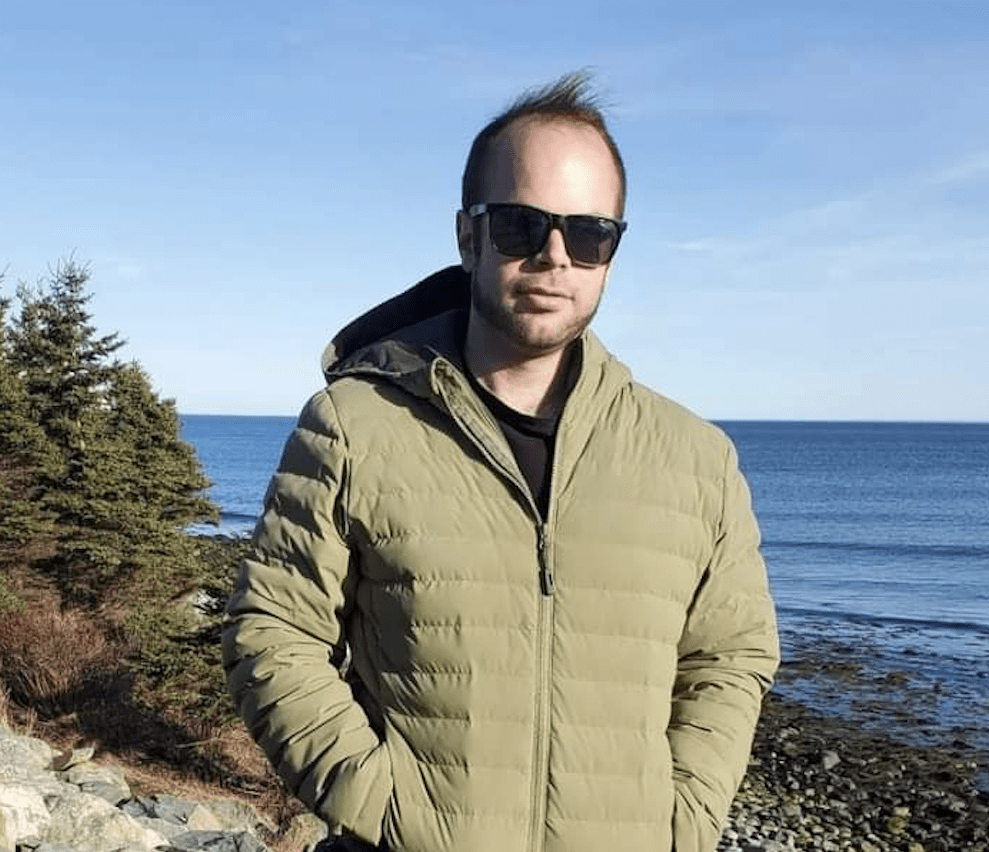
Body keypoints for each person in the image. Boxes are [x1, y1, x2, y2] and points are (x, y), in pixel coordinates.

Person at [223, 71, 779, 852]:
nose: (556, 256)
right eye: (522, 225)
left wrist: (679, 820)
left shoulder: (696, 459)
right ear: (468, 235)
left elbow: (731, 656)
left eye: (589, 233)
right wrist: (381, 804)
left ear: (613, 249)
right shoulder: (354, 426)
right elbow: (272, 629)